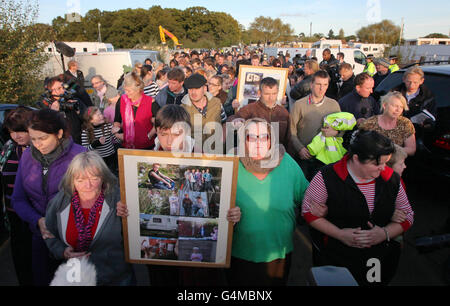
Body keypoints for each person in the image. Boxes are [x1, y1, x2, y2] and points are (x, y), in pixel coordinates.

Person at [302, 130, 414, 286]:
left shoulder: (391, 179)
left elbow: (408, 216)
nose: (383, 168)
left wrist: (384, 233)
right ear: (355, 159)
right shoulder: (326, 177)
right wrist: (340, 234)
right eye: (377, 163)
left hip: (375, 260)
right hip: (335, 257)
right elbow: (308, 213)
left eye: (386, 162)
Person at [227, 118, 309, 286]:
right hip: (239, 254)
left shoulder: (287, 163)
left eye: (264, 137)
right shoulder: (231, 162)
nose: (258, 143)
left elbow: (307, 197)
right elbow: (215, 202)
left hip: (278, 254)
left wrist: (317, 208)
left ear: (272, 139)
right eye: (251, 137)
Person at [12, 109, 86, 285]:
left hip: (74, 240)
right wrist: (38, 220)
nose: (38, 144)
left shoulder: (81, 156)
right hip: (41, 239)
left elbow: (97, 200)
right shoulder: (27, 157)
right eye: (34, 138)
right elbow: (18, 199)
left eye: (43, 138)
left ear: (59, 133)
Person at [45, 151, 135, 285]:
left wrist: (130, 213)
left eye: (94, 179)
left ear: (104, 177)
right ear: (71, 180)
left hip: (115, 279)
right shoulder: (60, 202)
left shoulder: (119, 199)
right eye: (80, 180)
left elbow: (138, 234)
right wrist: (62, 251)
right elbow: (49, 232)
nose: (88, 186)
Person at [0, 107, 33, 285]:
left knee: (39, 263)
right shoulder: (8, 148)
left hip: (36, 216)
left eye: (21, 131)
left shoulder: (40, 148)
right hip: (13, 214)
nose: (16, 136)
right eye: (12, 131)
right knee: (21, 261)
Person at [290, 70, 341, 181]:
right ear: (311, 85)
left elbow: (342, 128)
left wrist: (336, 132)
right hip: (304, 156)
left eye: (325, 85)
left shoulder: (334, 105)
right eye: (318, 84)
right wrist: (300, 149)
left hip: (325, 158)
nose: (321, 88)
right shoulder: (299, 105)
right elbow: (291, 130)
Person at [229, 77, 291, 150]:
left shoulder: (284, 113)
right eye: (267, 94)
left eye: (274, 94)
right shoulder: (249, 109)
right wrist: (234, 122)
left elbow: (288, 139)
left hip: (276, 155)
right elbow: (232, 121)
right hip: (253, 155)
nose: (271, 97)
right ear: (259, 93)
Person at [358, 91, 416, 156]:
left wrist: (392, 150)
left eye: (401, 107)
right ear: (384, 105)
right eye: (395, 106)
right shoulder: (369, 123)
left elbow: (411, 150)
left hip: (396, 163)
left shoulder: (405, 123)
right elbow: (360, 148)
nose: (398, 110)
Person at [181, 73, 227, 151]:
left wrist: (222, 140)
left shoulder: (217, 103)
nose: (193, 92)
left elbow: (224, 123)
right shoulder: (182, 109)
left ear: (205, 89)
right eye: (190, 89)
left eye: (197, 88)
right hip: (194, 155)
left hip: (217, 153)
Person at [114, 72, 155, 149]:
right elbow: (117, 121)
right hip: (127, 146)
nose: (126, 93)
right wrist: (117, 134)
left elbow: (160, 123)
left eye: (129, 91)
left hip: (147, 146)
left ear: (138, 89)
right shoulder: (122, 100)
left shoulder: (150, 102)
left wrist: (149, 136)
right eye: (125, 90)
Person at [43, 76, 87, 145]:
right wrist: (54, 113)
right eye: (59, 88)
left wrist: (78, 111)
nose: (62, 90)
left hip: (79, 144)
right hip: (62, 147)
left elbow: (88, 119)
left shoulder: (74, 101)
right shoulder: (47, 109)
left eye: (63, 87)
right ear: (50, 92)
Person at [81, 106, 120, 175]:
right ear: (91, 120)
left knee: (113, 177)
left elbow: (117, 141)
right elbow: (85, 150)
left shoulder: (108, 126)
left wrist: (117, 133)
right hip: (98, 161)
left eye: (101, 114)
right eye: (98, 115)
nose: (101, 116)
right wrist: (96, 144)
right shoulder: (86, 132)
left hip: (111, 159)